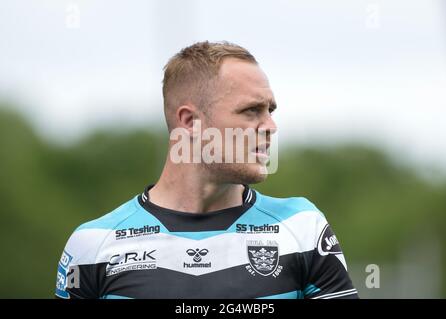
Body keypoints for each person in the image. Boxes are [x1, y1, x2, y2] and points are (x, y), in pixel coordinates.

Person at [55, 41, 358, 299]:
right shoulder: (92, 245)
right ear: (190, 122)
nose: (270, 127)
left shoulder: (303, 229)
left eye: (270, 111)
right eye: (252, 110)